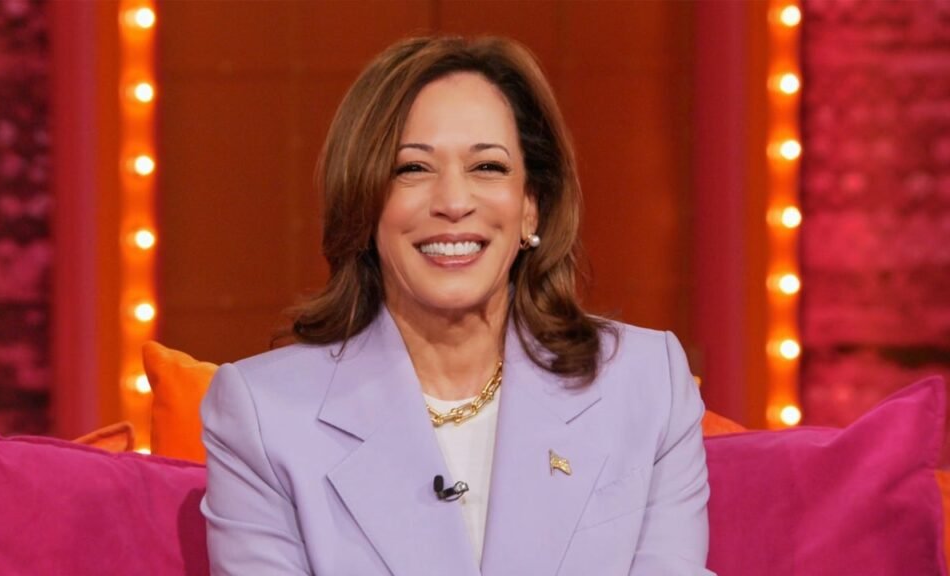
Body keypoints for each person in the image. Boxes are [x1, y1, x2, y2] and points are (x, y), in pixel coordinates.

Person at [200, 35, 712, 576]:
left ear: (531, 206)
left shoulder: (646, 384)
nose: (452, 202)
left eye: (487, 167)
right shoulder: (264, 417)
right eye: (412, 169)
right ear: (365, 203)